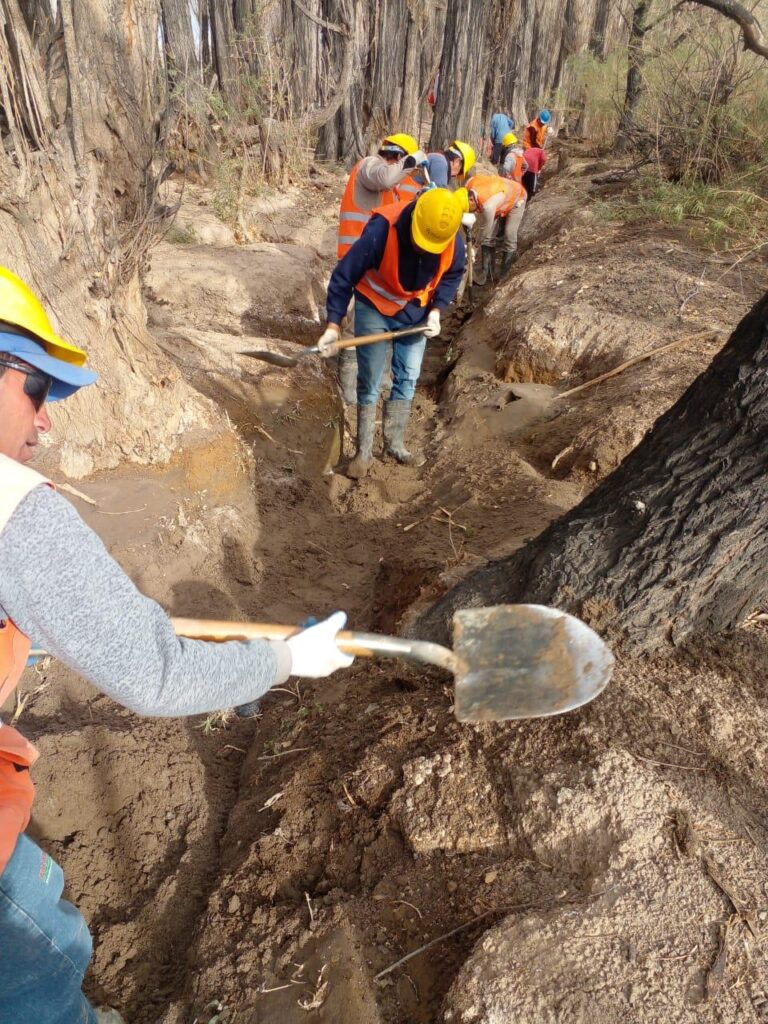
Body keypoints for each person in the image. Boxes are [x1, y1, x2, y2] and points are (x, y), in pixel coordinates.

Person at [0, 267, 355, 1024]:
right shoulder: (16, 511)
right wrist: (289, 659)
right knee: (42, 962)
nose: (45, 424)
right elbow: (154, 675)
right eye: (38, 391)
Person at [317, 189, 467, 479]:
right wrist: (333, 325)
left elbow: (452, 275)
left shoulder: (450, 239)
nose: (424, 250)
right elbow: (344, 275)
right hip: (374, 305)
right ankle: (363, 453)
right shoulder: (383, 229)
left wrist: (437, 311)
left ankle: (395, 444)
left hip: (416, 313)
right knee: (370, 379)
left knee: (408, 377)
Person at [335, 133, 427, 403]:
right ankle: (348, 383)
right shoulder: (369, 166)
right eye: (406, 164)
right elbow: (385, 178)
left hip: (376, 264)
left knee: (383, 317)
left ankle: (380, 376)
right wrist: (413, 161)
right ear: (398, 156)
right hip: (355, 260)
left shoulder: (393, 184)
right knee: (355, 323)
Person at [466, 174, 527, 285]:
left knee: (509, 234)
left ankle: (504, 275)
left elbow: (485, 228)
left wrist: (475, 247)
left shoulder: (488, 206)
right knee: (488, 237)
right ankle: (487, 274)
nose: (473, 212)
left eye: (472, 209)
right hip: (499, 196)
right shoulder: (469, 185)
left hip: (517, 197)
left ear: (472, 200)